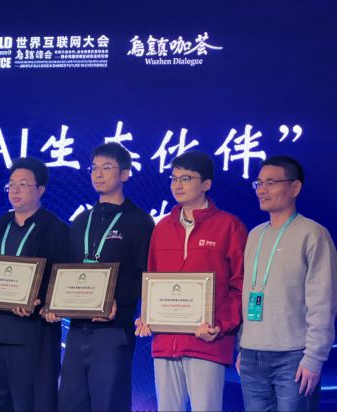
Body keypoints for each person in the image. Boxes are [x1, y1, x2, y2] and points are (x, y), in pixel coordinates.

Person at [135, 151, 247, 411]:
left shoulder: (229, 226)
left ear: (206, 184)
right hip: (165, 342)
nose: (178, 185)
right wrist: (147, 315)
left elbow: (240, 285)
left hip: (207, 340)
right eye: (174, 178)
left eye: (186, 178)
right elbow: (153, 280)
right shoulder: (162, 228)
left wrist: (220, 324)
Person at [53, 142, 154, 412]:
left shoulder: (140, 221)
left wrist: (121, 302)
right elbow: (69, 271)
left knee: (109, 403)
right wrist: (56, 303)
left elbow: (146, 275)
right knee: (70, 403)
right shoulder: (80, 221)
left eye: (107, 167)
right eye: (94, 168)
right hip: (77, 329)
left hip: (114, 330)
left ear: (125, 174)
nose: (98, 174)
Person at [0, 157, 69, 412]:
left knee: (28, 401)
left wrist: (42, 302)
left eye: (23, 184)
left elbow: (61, 278)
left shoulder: (56, 229)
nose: (15, 190)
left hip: (32, 331)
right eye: (11, 184)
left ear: (40, 190)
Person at [238, 155, 337, 411]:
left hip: (293, 356)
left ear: (295, 187)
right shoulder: (255, 235)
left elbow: (323, 302)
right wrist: (242, 345)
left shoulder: (313, 234)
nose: (261, 190)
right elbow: (249, 294)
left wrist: (313, 358)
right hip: (251, 355)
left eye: (271, 183)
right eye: (259, 183)